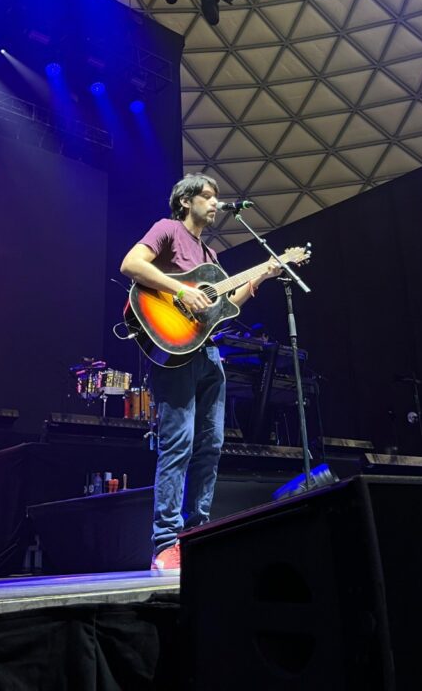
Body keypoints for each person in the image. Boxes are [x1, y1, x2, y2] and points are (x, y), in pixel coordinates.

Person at [120, 172, 282, 574]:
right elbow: (131, 264)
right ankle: (165, 544)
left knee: (210, 445)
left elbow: (225, 306)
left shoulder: (210, 258)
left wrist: (263, 273)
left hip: (207, 353)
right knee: (179, 443)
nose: (215, 203)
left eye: (216, 197)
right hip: (174, 353)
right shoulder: (168, 229)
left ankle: (197, 531)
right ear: (186, 201)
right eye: (208, 196)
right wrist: (179, 291)